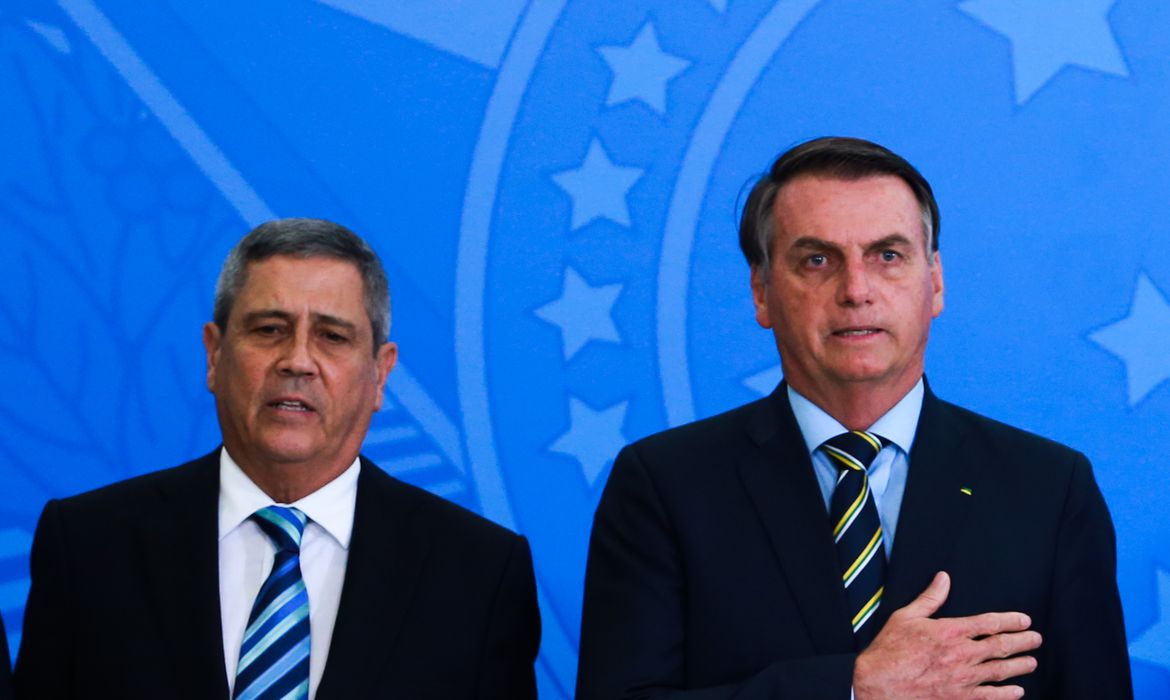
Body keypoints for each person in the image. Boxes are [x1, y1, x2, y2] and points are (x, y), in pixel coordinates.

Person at [577, 137, 1131, 699]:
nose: (856, 290)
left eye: (887, 256)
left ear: (935, 281)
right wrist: (852, 688)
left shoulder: (1049, 490)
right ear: (762, 291)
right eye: (817, 260)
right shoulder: (664, 486)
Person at [14, 218, 540, 699]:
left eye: (332, 336)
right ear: (214, 354)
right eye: (269, 330)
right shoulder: (87, 546)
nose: (297, 361)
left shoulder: (480, 575)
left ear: (380, 374)